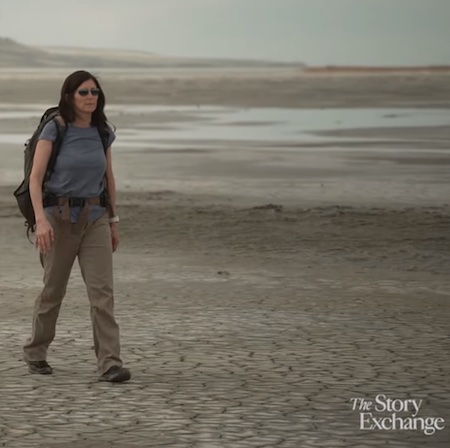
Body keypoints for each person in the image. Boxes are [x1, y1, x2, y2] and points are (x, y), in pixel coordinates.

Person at [22, 70, 131, 383]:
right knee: (53, 291)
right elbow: (35, 178)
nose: (90, 98)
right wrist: (41, 220)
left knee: (102, 294)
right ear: (69, 95)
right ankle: (36, 351)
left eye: (95, 92)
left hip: (95, 217)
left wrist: (113, 220)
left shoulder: (102, 131)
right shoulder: (55, 129)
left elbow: (108, 178)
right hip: (57, 218)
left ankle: (110, 363)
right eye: (83, 92)